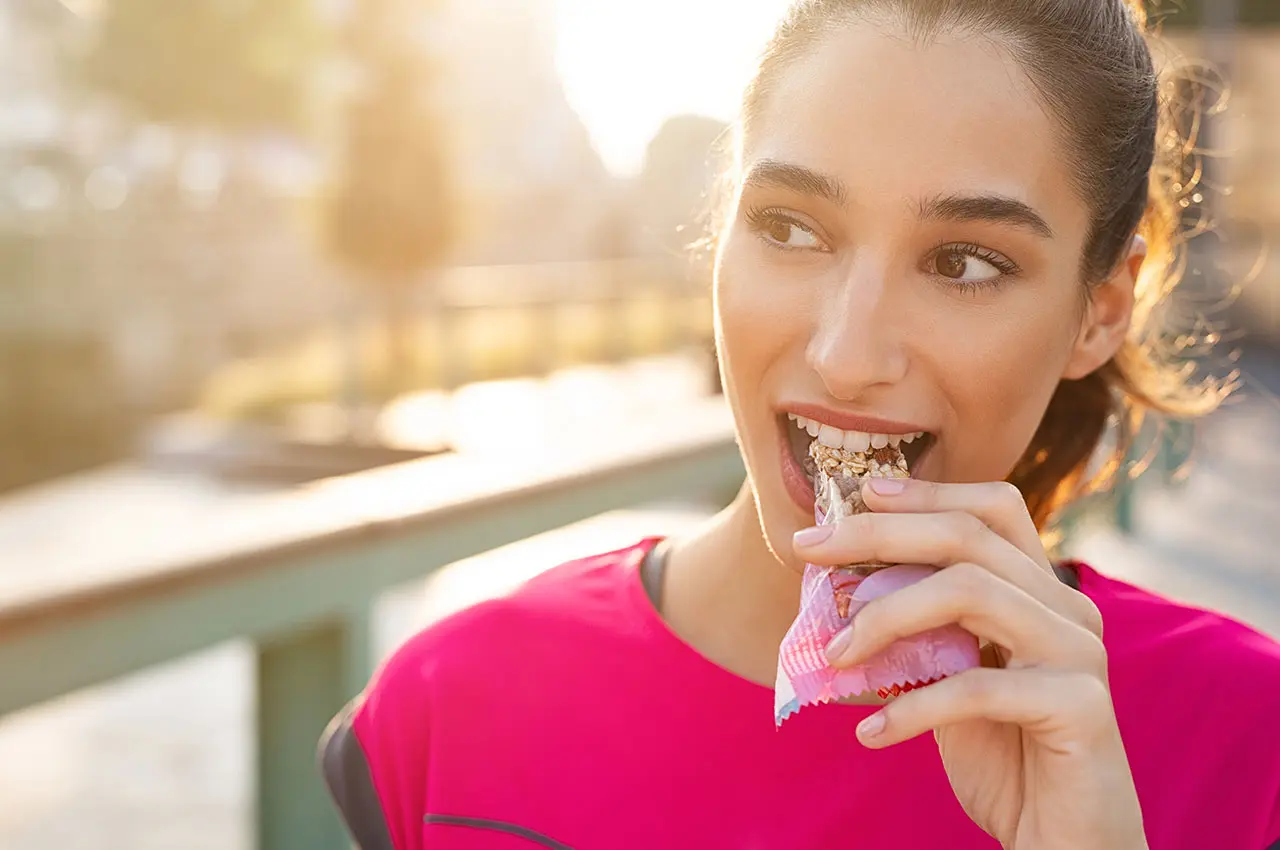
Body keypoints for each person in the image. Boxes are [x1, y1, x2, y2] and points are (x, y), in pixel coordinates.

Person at [319, 1, 1280, 847]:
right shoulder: (450, 716)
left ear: (1101, 311)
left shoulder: (1245, 749)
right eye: (790, 228)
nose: (846, 353)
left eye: (965, 263)